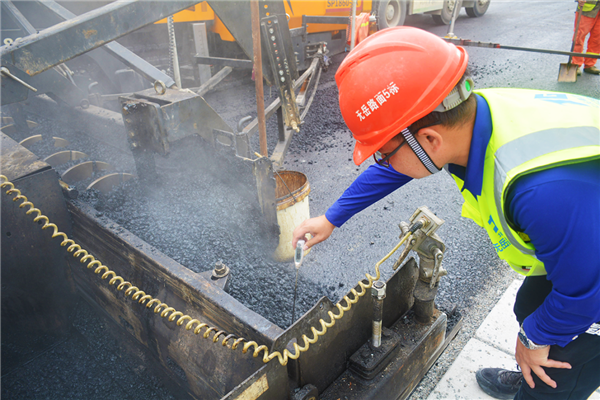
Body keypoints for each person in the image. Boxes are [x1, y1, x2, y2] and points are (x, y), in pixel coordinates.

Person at [291, 27, 600, 400]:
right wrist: (330, 218)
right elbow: (398, 166)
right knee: (529, 305)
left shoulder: (537, 194)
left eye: (382, 153)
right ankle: (530, 371)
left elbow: (584, 294)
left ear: (429, 140)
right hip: (584, 234)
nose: (383, 162)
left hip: (591, 273)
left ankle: (540, 386)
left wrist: (533, 340)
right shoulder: (472, 120)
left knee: (555, 374)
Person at [574, 0, 600, 75]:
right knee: (579, 37)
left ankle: (590, 64)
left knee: (597, 39)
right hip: (587, 8)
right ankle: (575, 64)